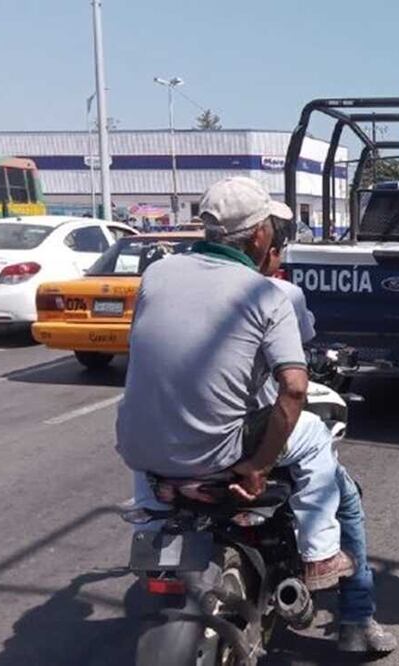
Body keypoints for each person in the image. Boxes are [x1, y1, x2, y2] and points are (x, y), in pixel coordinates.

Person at [116, 176, 355, 591]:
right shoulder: (266, 293)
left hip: (137, 447)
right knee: (314, 434)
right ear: (260, 235)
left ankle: (152, 525)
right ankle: (320, 555)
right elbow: (294, 388)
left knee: (152, 424)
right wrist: (259, 467)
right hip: (218, 453)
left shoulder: (156, 274)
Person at [258, 218, 397, 654]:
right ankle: (356, 617)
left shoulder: (172, 285)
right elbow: (298, 358)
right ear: (268, 249)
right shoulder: (281, 293)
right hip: (255, 434)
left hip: (179, 441)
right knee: (345, 498)